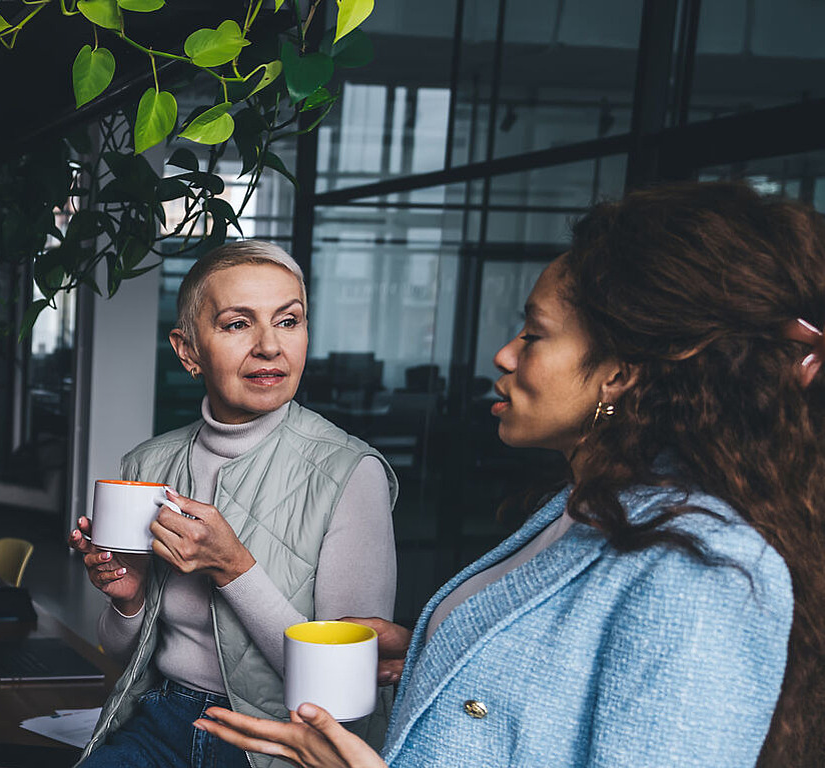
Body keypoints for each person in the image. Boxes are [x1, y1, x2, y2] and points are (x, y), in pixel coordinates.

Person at [197, 182, 819, 767]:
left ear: (620, 373)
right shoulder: (582, 507)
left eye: (536, 334)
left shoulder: (705, 570)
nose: (504, 354)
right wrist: (434, 652)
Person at [68, 240, 399, 768]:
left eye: (288, 321)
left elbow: (345, 695)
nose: (270, 346)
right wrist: (127, 599)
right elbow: (121, 650)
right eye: (237, 324)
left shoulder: (351, 472)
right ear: (188, 350)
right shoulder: (146, 466)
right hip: (162, 719)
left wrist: (233, 568)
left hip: (279, 743)